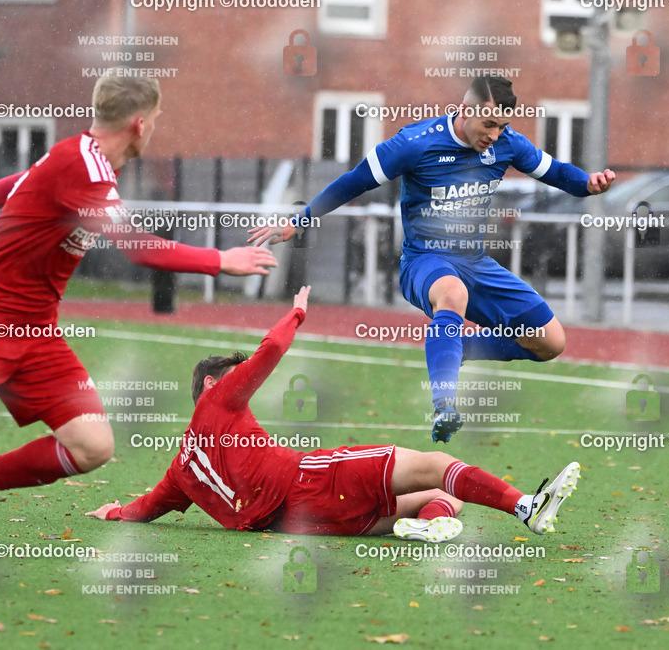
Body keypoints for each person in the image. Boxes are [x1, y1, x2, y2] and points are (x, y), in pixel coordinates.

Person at [0, 75, 276, 587]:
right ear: (139, 124)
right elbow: (138, 247)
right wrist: (221, 260)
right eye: (156, 120)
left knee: (91, 445)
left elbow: (25, 179)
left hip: (35, 334)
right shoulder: (83, 165)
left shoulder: (84, 161)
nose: (156, 128)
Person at [248, 77, 615, 443]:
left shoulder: (508, 143)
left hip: (475, 263)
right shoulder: (415, 142)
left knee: (550, 341)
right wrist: (301, 219)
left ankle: (454, 349)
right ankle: (444, 405)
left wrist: (588, 183)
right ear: (465, 110)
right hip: (425, 262)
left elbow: (555, 172)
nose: (494, 134)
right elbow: (354, 181)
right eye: (489, 124)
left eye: (502, 126)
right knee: (452, 294)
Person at [86, 287, 581, 544]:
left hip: (301, 523)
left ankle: (429, 524)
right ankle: (526, 507)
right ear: (213, 385)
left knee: (442, 497)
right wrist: (298, 311)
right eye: (235, 378)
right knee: (435, 465)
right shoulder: (217, 400)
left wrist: (111, 512)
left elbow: (144, 508)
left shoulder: (180, 470)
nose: (244, 386)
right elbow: (271, 349)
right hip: (311, 480)